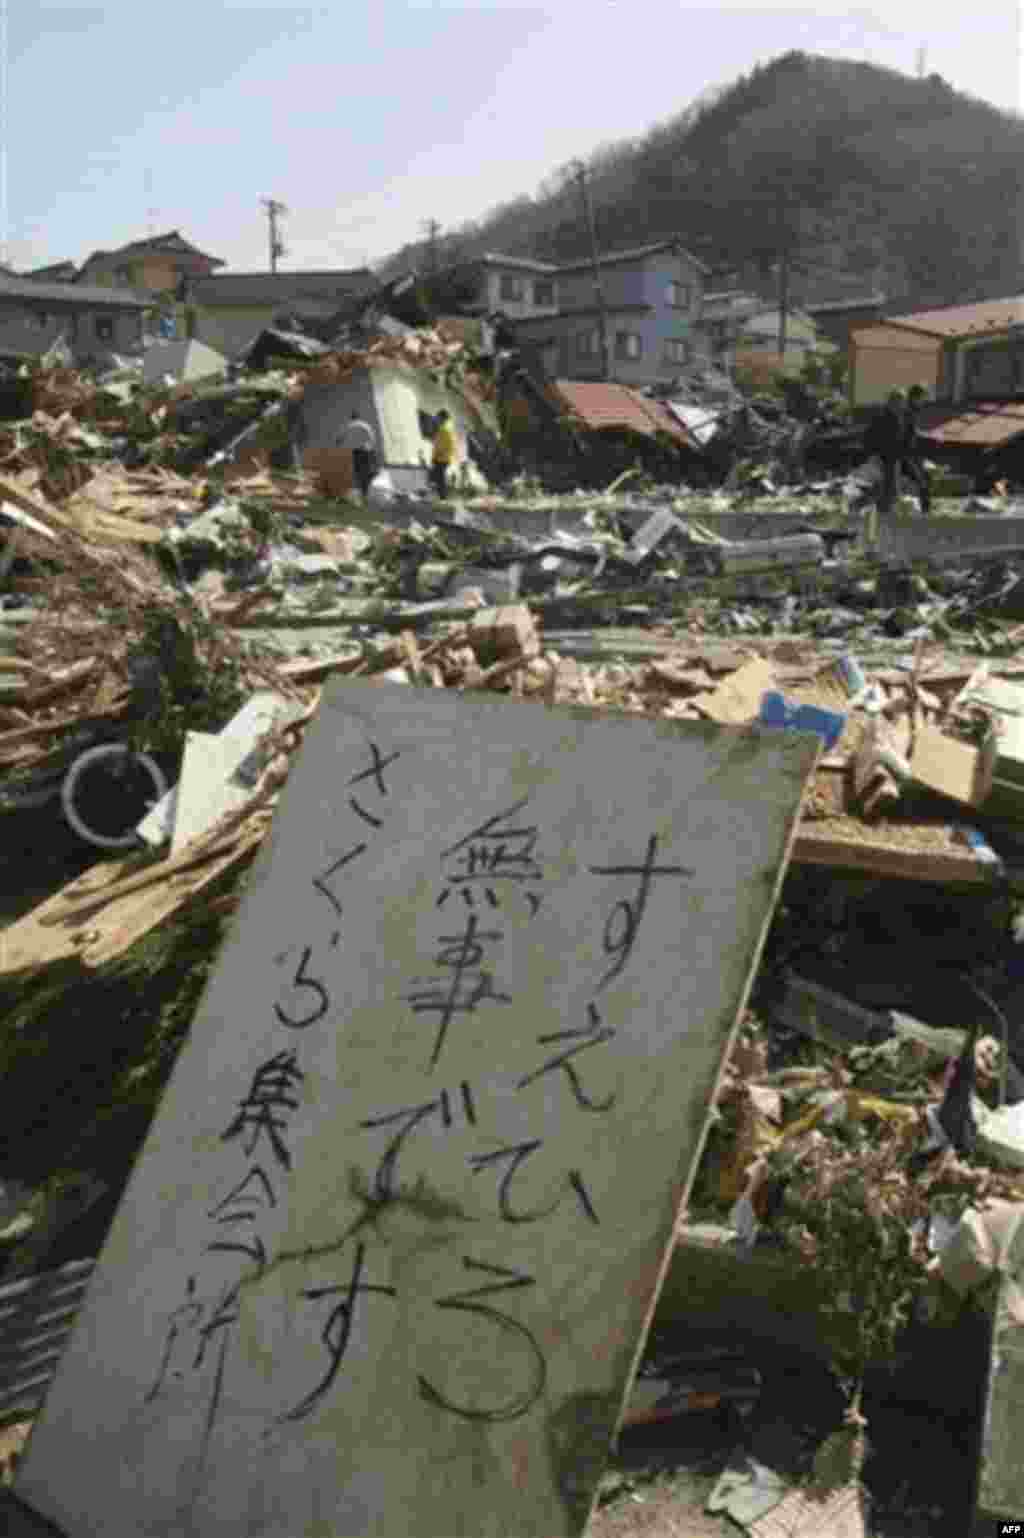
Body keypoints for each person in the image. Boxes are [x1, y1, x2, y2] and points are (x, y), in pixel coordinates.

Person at [339, 410, 378, 499]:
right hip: (367, 452)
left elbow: (340, 438)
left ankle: (363, 492)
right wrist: (371, 449)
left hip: (357, 453)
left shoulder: (349, 426)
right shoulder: (365, 425)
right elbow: (372, 438)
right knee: (368, 472)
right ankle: (368, 491)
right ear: (359, 417)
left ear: (352, 417)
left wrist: (341, 445)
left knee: (359, 473)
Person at [430, 407, 457, 498]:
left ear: (441, 418)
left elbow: (442, 445)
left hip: (441, 458)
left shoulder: (444, 429)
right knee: (438, 477)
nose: (436, 419)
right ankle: (441, 496)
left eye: (437, 417)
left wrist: (436, 456)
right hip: (443, 457)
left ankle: (442, 496)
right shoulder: (445, 428)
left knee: (439, 478)